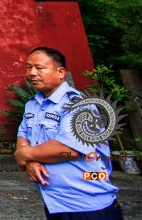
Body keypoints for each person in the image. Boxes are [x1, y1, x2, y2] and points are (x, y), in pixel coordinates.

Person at [14, 47, 121, 219]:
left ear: (60, 72)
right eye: (29, 67)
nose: (32, 73)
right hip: (55, 204)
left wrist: (24, 154)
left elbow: (68, 149)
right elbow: (24, 135)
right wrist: (31, 161)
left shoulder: (79, 105)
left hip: (88, 206)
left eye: (39, 68)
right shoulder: (32, 104)